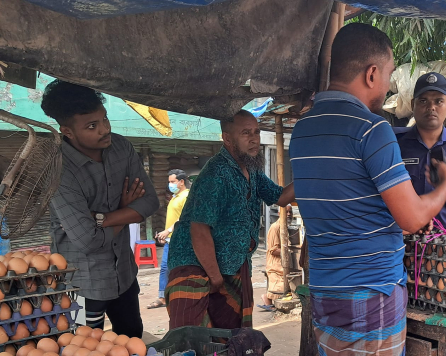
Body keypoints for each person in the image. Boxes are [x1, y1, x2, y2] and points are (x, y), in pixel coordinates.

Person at [290, 23, 446, 356]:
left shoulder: (304, 131)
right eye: (387, 76)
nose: (387, 88)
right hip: (371, 292)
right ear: (370, 74)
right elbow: (412, 218)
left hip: (326, 288)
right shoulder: (371, 130)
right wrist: (444, 185)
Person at [41, 80, 159, 337]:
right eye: (92, 126)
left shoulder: (121, 148)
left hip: (124, 276)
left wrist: (103, 218)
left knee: (132, 344)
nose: (104, 129)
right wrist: (126, 210)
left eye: (104, 119)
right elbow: (88, 240)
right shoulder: (59, 170)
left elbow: (151, 202)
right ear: (68, 132)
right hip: (84, 284)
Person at [165, 110, 294, 330]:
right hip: (196, 266)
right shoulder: (215, 174)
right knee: (194, 342)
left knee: (232, 340)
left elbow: (280, 197)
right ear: (227, 138)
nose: (254, 138)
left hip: (231, 265)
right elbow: (199, 230)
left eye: (256, 132)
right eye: (246, 133)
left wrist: (313, 173)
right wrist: (215, 277)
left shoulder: (251, 170)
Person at [394, 72, 446, 231]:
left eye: (439, 101)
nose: (431, 107)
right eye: (423, 101)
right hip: (406, 243)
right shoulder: (394, 143)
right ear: (412, 104)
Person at [147, 169, 190, 309]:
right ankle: (163, 297)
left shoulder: (187, 196)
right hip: (171, 239)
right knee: (165, 268)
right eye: (169, 182)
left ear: (181, 182)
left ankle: (184, 296)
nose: (170, 184)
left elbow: (184, 218)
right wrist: (165, 235)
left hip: (181, 239)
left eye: (172, 182)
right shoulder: (175, 196)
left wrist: (168, 231)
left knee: (181, 268)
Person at [260, 204, 293, 310]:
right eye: (286, 212)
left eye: (290, 212)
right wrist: (289, 251)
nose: (288, 214)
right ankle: (266, 298)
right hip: (276, 266)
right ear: (279, 214)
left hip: (284, 263)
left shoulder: (285, 227)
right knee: (285, 288)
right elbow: (273, 250)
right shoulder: (275, 227)